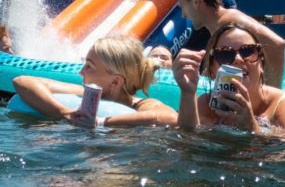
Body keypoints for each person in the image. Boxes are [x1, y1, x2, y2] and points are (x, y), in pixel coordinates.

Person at [12, 36, 178, 127]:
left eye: (89, 67)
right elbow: (23, 81)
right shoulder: (84, 93)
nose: (81, 71)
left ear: (115, 82)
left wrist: (101, 122)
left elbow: (170, 118)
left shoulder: (142, 105)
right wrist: (63, 113)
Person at [173, 22, 285, 132]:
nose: (238, 59)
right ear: (212, 70)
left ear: (261, 64)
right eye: (225, 54)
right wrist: (187, 94)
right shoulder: (205, 105)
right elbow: (187, 148)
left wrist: (251, 126)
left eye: (248, 51)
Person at [174, 0, 285, 88]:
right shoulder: (218, 23)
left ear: (196, 2)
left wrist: (270, 91)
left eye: (183, 7)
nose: (183, 15)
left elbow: (277, 44)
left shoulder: (229, 21)